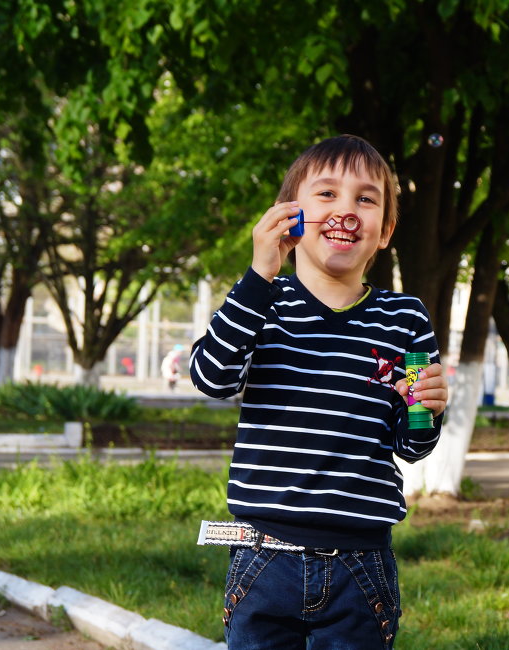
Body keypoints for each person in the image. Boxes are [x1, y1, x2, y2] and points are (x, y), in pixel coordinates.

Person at [190, 134, 448, 649]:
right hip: (263, 559)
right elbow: (211, 377)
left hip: (362, 566)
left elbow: (411, 446)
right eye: (326, 194)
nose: (346, 210)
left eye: (365, 199)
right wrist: (261, 270)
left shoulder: (405, 319)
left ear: (385, 232)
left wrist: (427, 409)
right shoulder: (262, 300)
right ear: (290, 216)